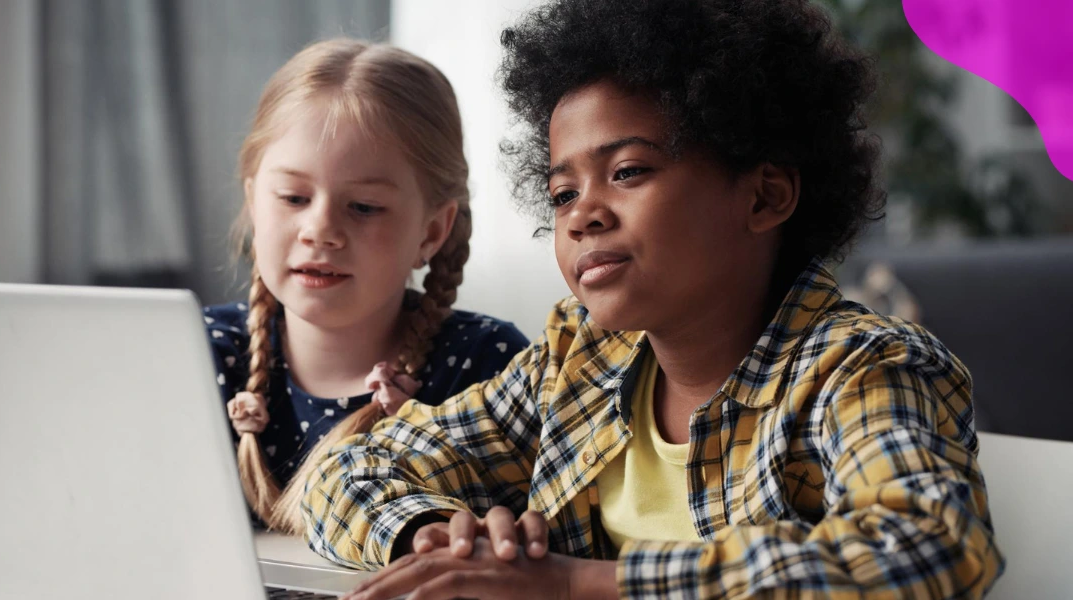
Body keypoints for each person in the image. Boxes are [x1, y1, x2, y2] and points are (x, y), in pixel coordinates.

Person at [303, 2, 1005, 598]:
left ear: (765, 195)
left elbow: (926, 548)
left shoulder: (860, 370)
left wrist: (578, 584)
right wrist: (432, 539)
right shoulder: (577, 367)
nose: (582, 216)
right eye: (563, 193)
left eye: (628, 171)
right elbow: (347, 469)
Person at [205, 38, 530, 534]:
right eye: (293, 197)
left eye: (363, 207)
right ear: (254, 203)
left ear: (431, 231)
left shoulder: (489, 366)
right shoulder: (201, 352)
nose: (320, 230)